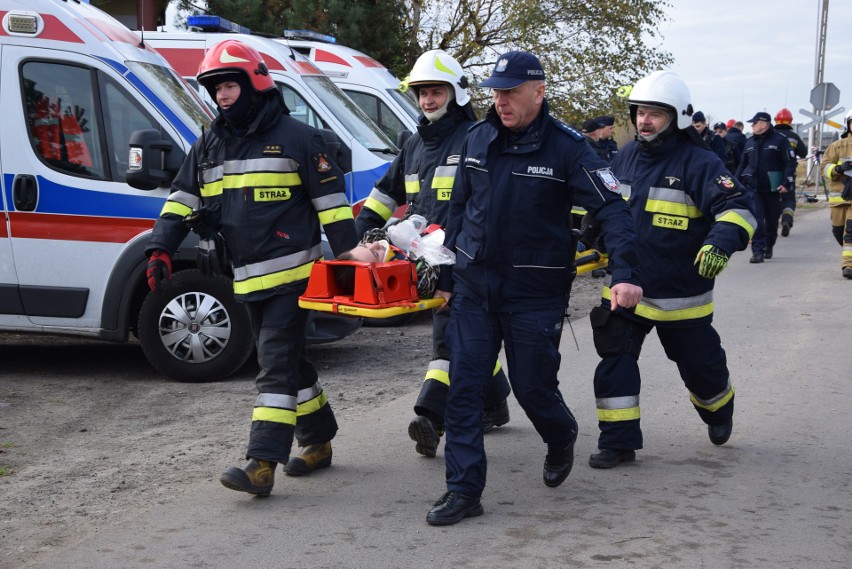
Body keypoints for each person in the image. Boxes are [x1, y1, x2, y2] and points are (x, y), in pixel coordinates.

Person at [425, 50, 643, 526]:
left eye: (510, 92)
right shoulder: (477, 139)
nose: (500, 101)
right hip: (474, 287)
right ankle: (463, 491)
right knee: (464, 389)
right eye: (496, 92)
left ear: (539, 92)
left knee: (532, 387)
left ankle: (561, 434)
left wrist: (624, 273)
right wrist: (443, 271)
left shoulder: (569, 148)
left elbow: (613, 212)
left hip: (535, 293)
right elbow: (457, 210)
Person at [144, 40, 360, 497]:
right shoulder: (209, 144)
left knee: (274, 363)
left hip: (295, 277)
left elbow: (333, 209)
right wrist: (160, 248)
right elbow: (182, 199)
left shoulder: (300, 139)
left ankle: (262, 462)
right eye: (216, 88)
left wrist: (353, 258)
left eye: (229, 85)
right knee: (289, 360)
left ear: (255, 83)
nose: (223, 95)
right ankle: (319, 438)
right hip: (246, 276)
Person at [589, 70, 757, 469]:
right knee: (614, 360)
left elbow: (739, 208)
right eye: (640, 113)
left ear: (678, 118)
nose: (644, 121)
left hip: (682, 294)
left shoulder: (701, 162)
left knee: (703, 369)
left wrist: (719, 243)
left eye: (655, 114)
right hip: (627, 284)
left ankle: (719, 410)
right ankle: (618, 441)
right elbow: (611, 206)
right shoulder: (626, 155)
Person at [354, 49, 512, 459]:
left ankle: (430, 417)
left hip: (467, 257)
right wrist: (354, 241)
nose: (427, 100)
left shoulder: (479, 138)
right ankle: (494, 403)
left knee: (448, 337)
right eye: (422, 92)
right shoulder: (412, 143)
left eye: (436, 91)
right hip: (424, 258)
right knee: (465, 336)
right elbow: (384, 196)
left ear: (456, 94)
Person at [735, 111, 797, 263]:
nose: (752, 126)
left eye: (754, 123)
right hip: (753, 189)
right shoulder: (749, 143)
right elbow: (742, 165)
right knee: (756, 220)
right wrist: (735, 183)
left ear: (763, 124)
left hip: (773, 189)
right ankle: (757, 251)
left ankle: (768, 246)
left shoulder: (780, 141)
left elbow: (790, 163)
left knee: (771, 221)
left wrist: (786, 182)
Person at [819, 107, 852, 279]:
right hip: (839, 199)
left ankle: (848, 267)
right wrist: (838, 168)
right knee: (838, 232)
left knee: (851, 232)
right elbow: (823, 168)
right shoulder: (837, 146)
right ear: (848, 125)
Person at [773, 108, 808, 236]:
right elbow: (803, 153)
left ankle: (772, 222)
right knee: (788, 200)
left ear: (775, 120)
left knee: (772, 199)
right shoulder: (793, 137)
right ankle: (786, 220)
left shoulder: (771, 135)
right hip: (789, 175)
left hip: (772, 175)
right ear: (790, 121)